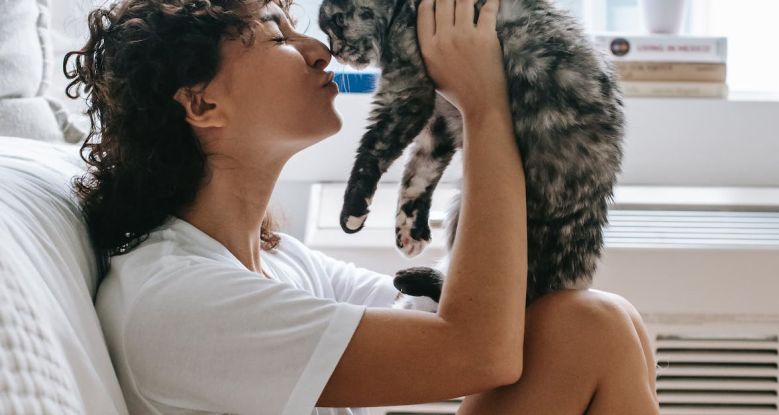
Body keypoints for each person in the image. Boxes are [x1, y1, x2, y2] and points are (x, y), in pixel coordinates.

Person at [66, 0, 660, 413]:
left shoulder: (279, 263)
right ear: (201, 106)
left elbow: (479, 320)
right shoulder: (180, 297)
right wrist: (484, 103)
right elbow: (481, 352)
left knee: (601, 322)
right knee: (592, 327)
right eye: (278, 37)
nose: (318, 50)